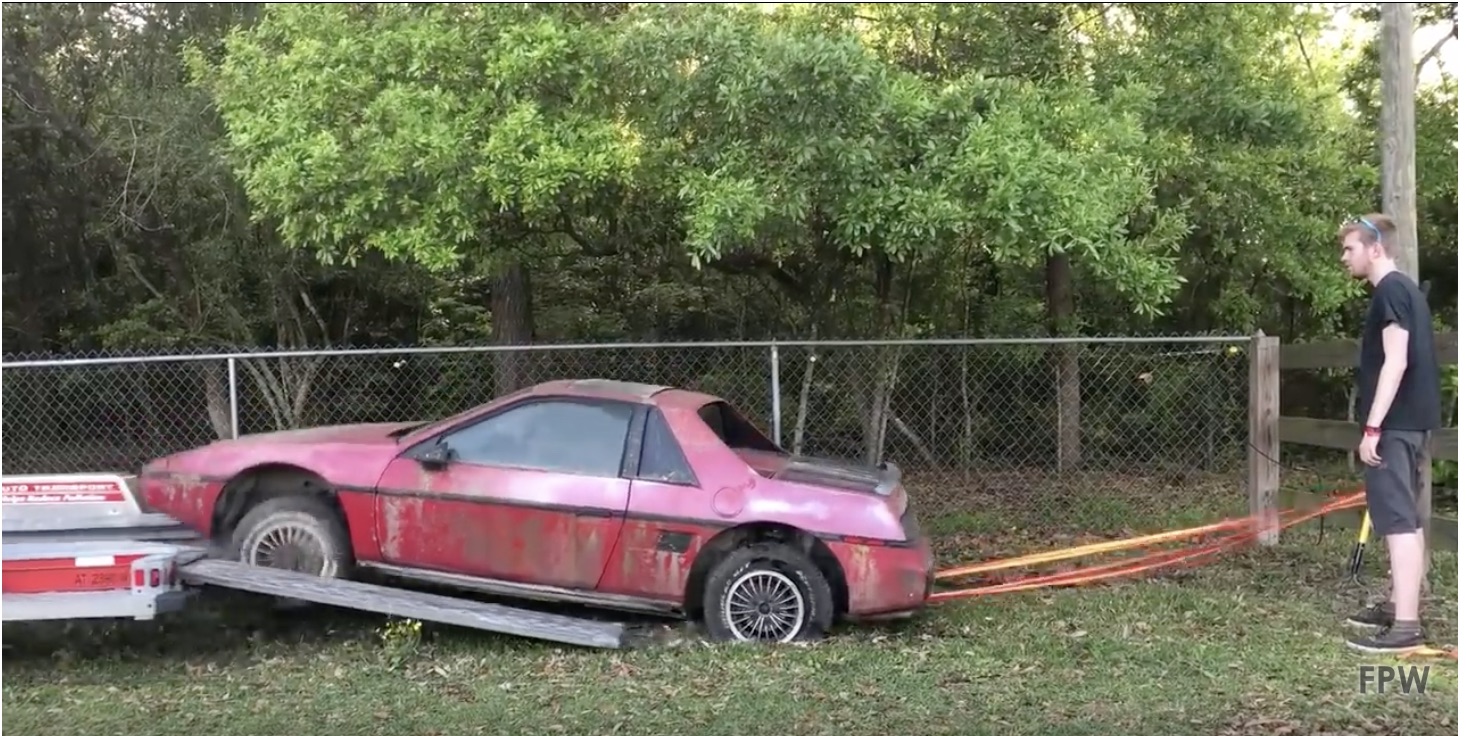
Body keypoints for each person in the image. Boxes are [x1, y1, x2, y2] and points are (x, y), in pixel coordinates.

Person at [1336, 213, 1441, 654]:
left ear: (1375, 248)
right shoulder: (1407, 291)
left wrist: (1373, 426)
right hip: (1411, 422)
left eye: (1350, 248)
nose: (1345, 257)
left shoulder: (1392, 291)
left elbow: (1396, 361)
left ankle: (1406, 626)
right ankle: (1400, 602)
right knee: (1407, 518)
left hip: (1395, 424)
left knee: (1396, 520)